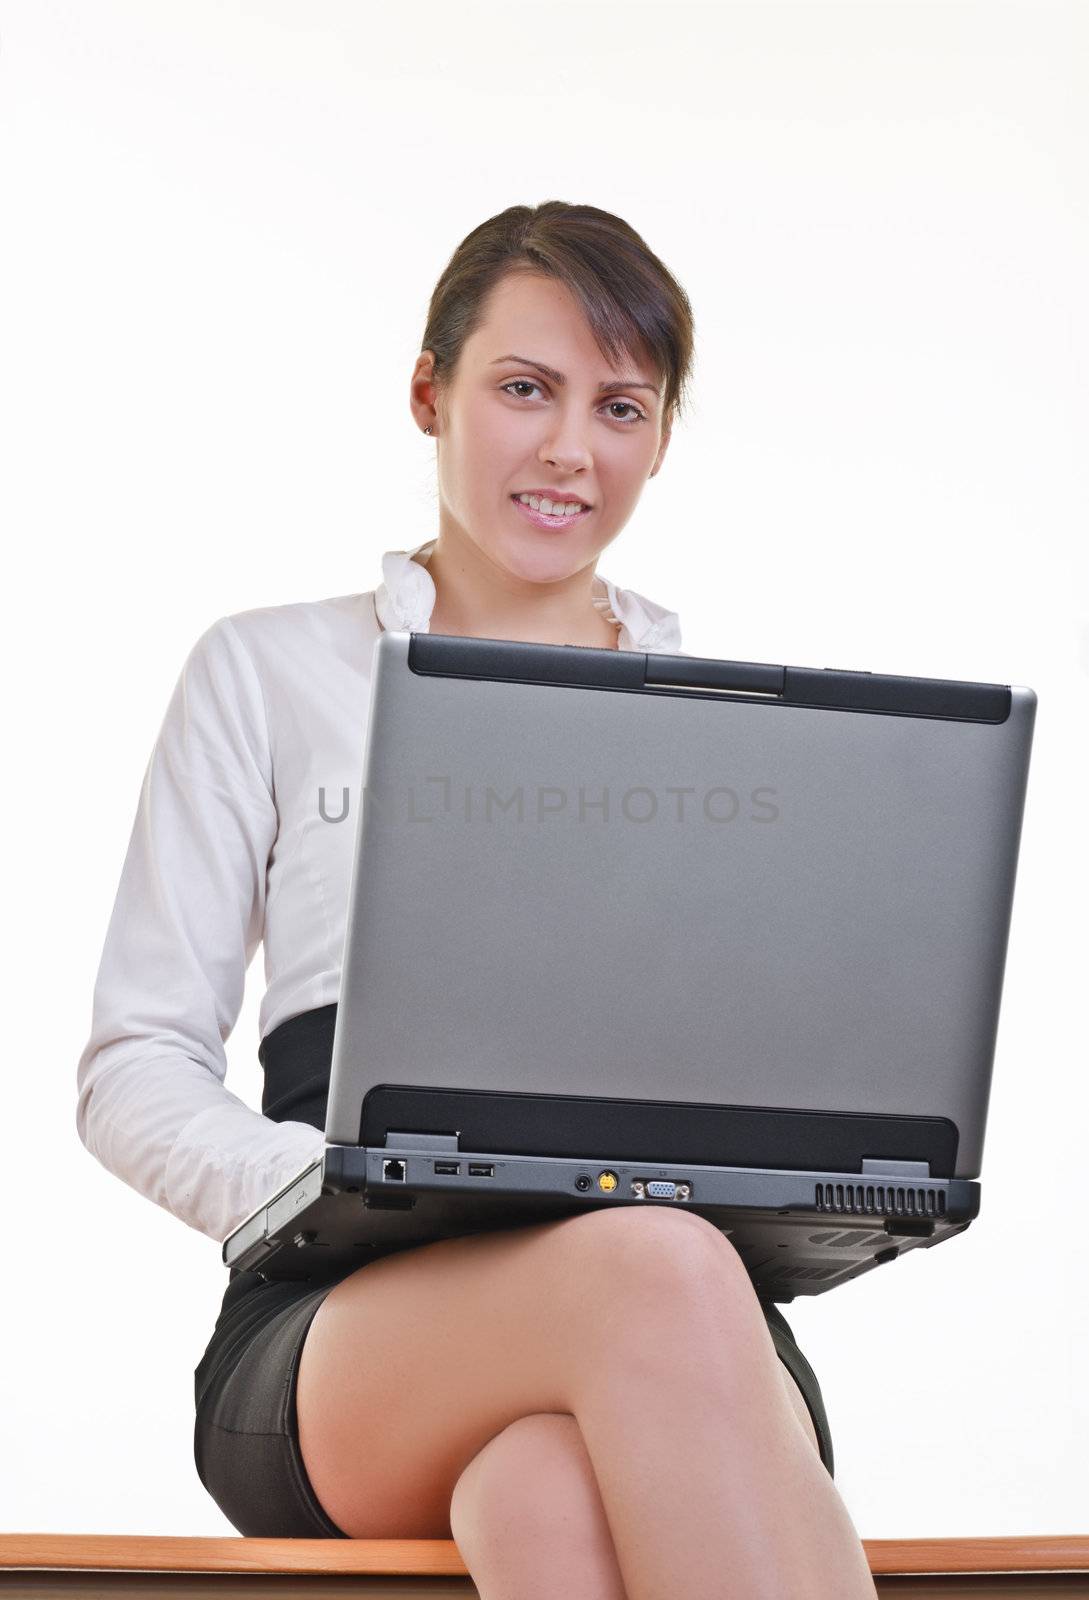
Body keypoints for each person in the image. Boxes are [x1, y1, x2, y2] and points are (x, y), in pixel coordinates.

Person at [76, 200, 878, 1599]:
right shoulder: (268, 673)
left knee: (548, 1493)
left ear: (662, 438)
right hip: (351, 1321)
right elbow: (135, 1067)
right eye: (524, 389)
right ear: (428, 390)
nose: (571, 448)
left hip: (680, 1323)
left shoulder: (734, 732)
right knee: (657, 1270)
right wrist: (330, 1182)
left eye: (620, 406)